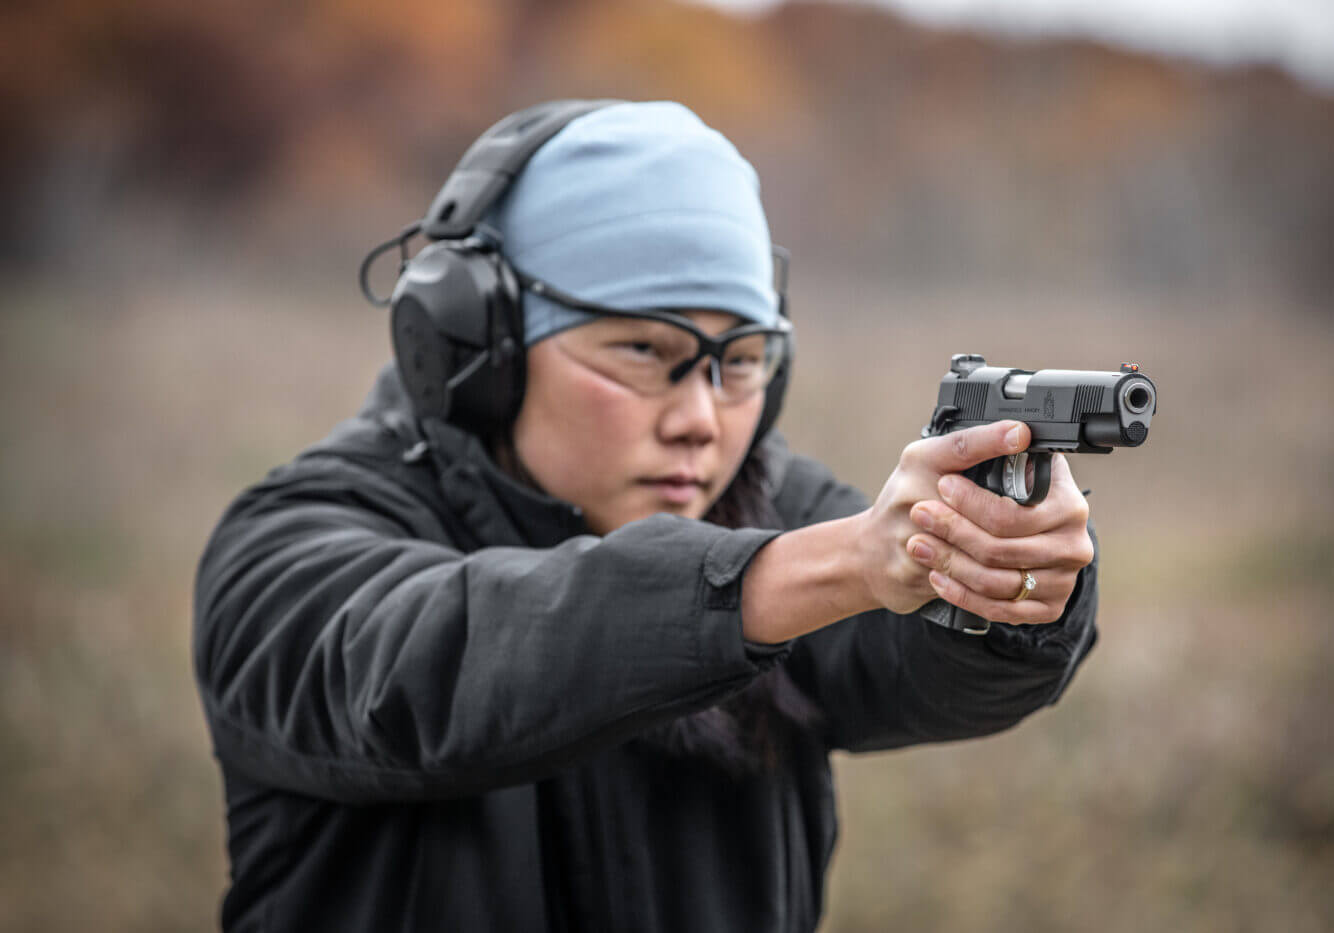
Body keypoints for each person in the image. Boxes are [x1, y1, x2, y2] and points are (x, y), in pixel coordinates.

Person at [193, 100, 1098, 932]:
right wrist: (806, 575)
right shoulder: (286, 547)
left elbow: (921, 666)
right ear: (480, 344)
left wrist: (999, 585)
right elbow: (437, 666)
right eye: (643, 349)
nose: (701, 419)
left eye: (738, 360)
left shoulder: (771, 503)